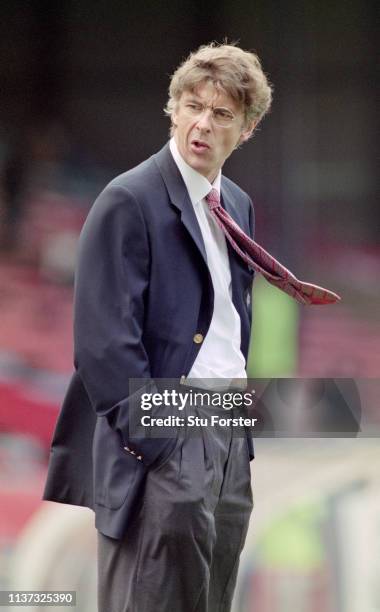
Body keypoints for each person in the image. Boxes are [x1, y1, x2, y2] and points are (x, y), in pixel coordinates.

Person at [43, 42, 273, 612]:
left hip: (226, 431)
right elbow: (102, 346)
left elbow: (225, 325)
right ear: (172, 109)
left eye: (222, 114)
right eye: (193, 105)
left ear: (244, 131)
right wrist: (159, 443)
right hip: (165, 429)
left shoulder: (237, 204)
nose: (202, 123)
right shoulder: (129, 199)